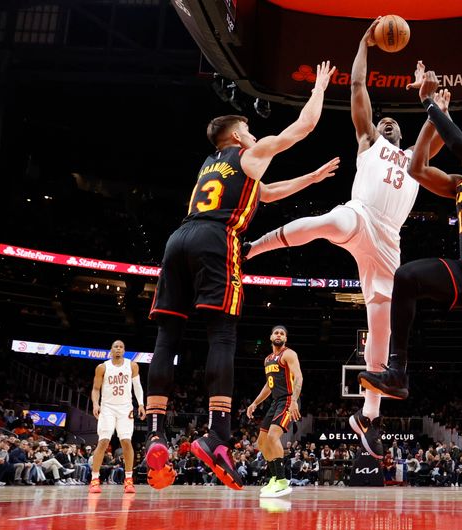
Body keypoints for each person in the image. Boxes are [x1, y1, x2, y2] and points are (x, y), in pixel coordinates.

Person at [244, 20, 443, 460]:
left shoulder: (414, 159)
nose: (387, 123)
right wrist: (363, 43)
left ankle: (366, 417)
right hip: (361, 216)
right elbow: (356, 86)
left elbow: (439, 132)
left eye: (393, 122)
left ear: (402, 135)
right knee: (324, 222)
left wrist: (431, 101)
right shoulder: (368, 139)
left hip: (390, 242)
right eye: (384, 120)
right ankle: (256, 246)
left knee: (382, 335)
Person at [142, 60, 336, 491]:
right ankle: (217, 435)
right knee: (222, 333)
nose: (253, 133)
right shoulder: (247, 153)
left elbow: (265, 193)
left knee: (166, 338)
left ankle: (155, 433)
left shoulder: (211, 166)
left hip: (179, 239)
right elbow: (302, 127)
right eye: (247, 129)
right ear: (235, 136)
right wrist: (319, 87)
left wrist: (312, 178)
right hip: (216, 238)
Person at [359, 69, 462, 513]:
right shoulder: (461, 185)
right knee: (406, 276)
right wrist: (436, 115)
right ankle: (398, 373)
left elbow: (460, 145)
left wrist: (433, 104)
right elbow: (416, 167)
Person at [246, 326, 303, 498]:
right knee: (262, 443)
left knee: (272, 437)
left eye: (282, 333)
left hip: (287, 399)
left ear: (285, 338)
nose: (279, 335)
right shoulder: (268, 359)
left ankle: (282, 481)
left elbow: (299, 377)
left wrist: (294, 401)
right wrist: (255, 403)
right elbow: (268, 386)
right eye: (276, 333)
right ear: (271, 336)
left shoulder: (289, 354)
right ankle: (273, 478)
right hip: (275, 401)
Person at [89, 340, 144, 494]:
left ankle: (128, 480)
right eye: (115, 347)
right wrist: (95, 404)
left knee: (126, 441)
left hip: (125, 408)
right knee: (103, 441)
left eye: (121, 347)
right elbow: (95, 389)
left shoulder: (132, 365)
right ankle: (94, 479)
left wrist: (140, 404)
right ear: (111, 350)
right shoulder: (102, 367)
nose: (118, 349)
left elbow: (137, 386)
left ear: (124, 350)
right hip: (107, 408)